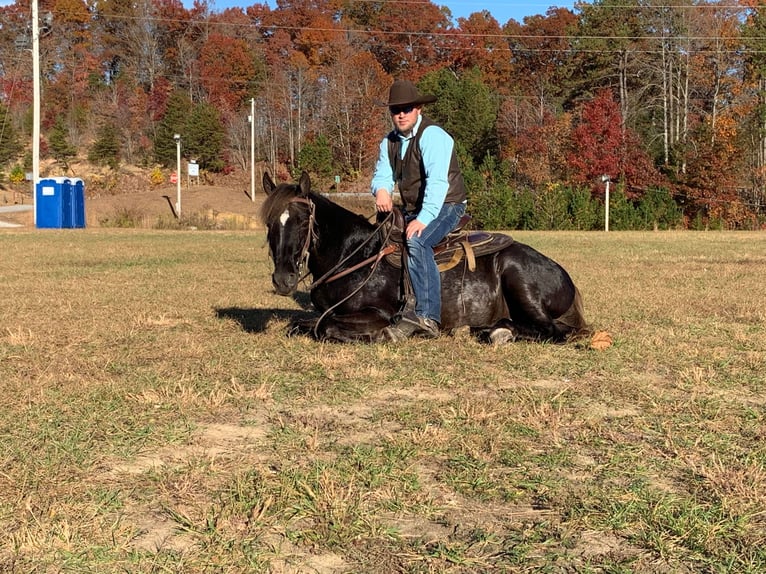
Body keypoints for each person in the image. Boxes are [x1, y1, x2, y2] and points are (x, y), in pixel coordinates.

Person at [371, 79, 467, 339]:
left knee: (417, 241)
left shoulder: (433, 136)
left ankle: (428, 317)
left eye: (406, 108)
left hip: (446, 205)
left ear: (418, 109)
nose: (400, 114)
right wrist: (381, 189)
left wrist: (423, 219)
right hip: (413, 206)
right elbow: (382, 174)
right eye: (395, 110)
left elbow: (437, 183)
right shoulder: (388, 142)